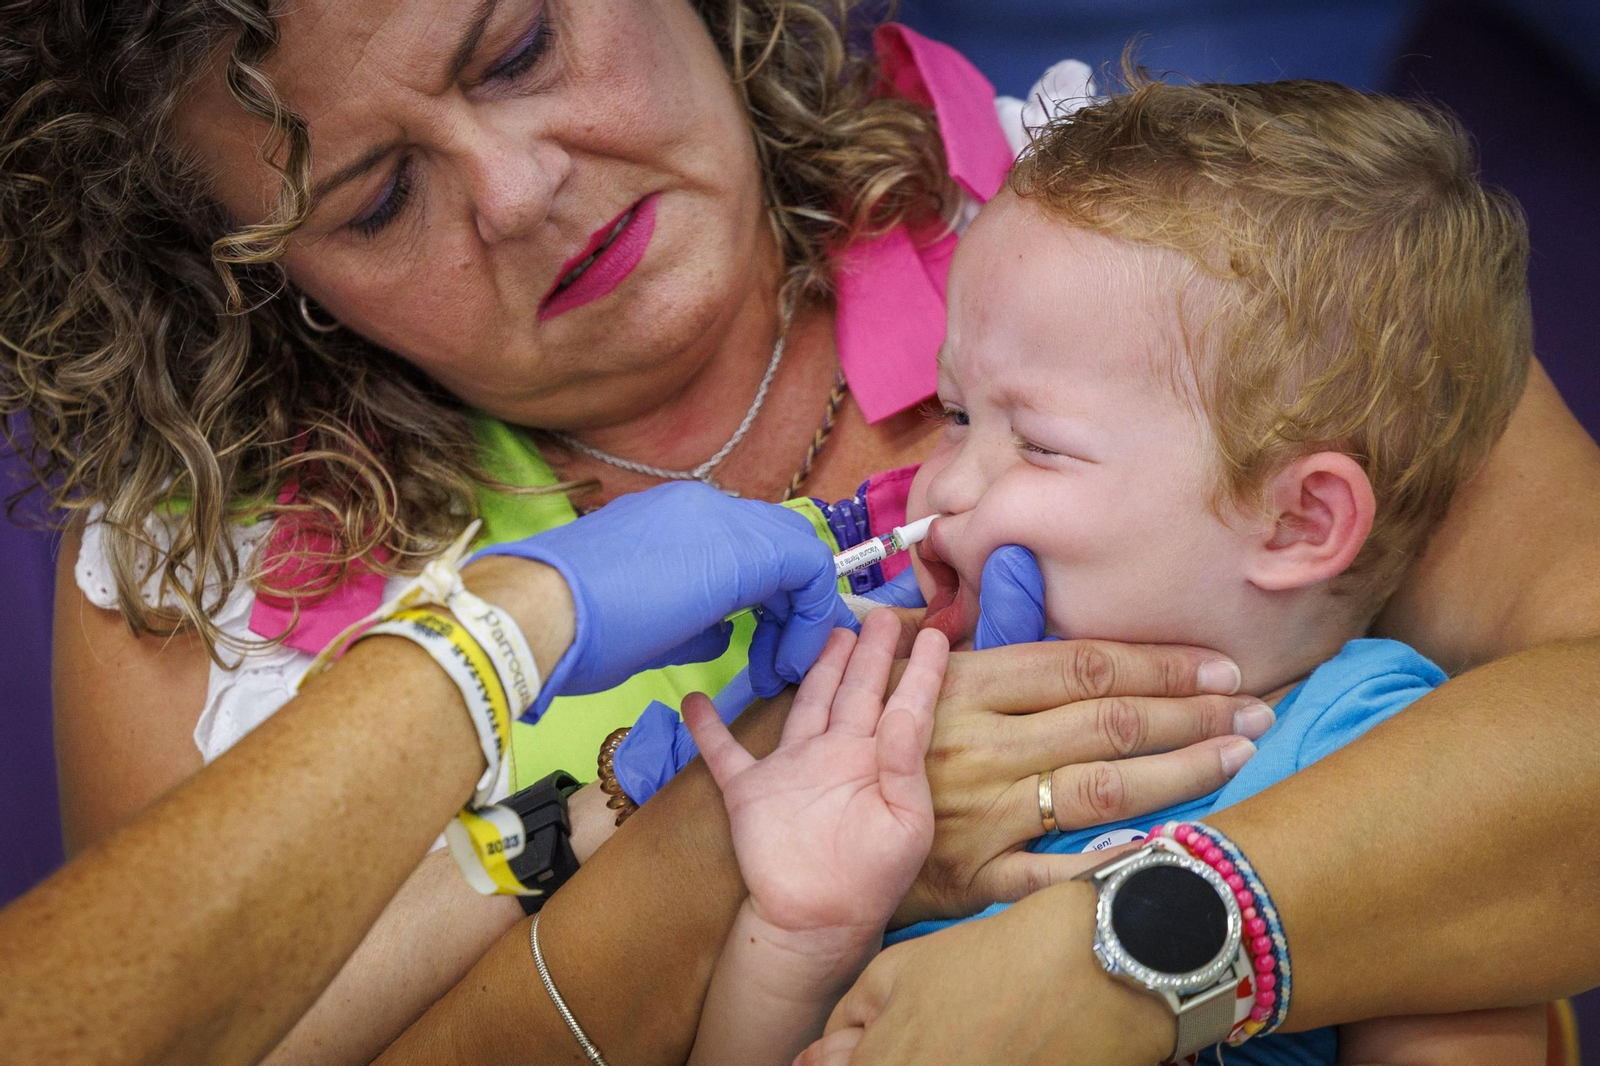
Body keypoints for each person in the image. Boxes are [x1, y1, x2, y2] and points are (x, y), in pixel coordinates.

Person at [1, 3, 1598, 1064]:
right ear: (260, 275)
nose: (513, 187)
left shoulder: (1185, 246)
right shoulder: (203, 581)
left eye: (516, 49)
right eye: (371, 201)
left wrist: (1107, 965)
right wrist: (709, 838)